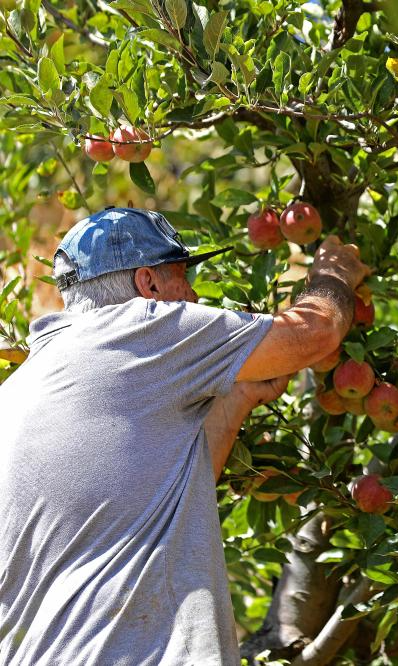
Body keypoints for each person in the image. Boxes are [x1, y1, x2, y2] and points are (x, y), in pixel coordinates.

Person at [0, 207, 369, 665]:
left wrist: (239, 397)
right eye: (182, 278)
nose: (194, 295)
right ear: (149, 285)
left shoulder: (22, 386)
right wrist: (333, 274)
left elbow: (157, 491)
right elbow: (315, 333)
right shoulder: (143, 328)